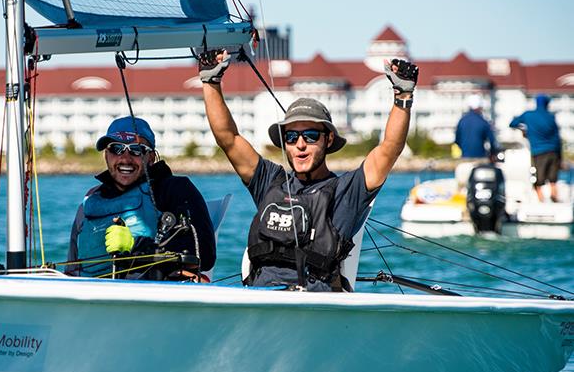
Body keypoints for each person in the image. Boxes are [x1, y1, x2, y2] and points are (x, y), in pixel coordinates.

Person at [198, 50, 418, 292]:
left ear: (328, 138)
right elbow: (228, 138)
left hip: (313, 306)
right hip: (261, 300)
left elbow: (389, 149)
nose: (300, 144)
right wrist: (211, 81)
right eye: (291, 137)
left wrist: (403, 96)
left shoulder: (347, 191)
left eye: (310, 135)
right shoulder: (269, 180)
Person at [67, 116, 216, 280]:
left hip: (152, 295)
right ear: (106, 155)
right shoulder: (90, 200)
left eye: (136, 150)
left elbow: (204, 255)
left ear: (151, 157)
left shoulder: (174, 189)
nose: (125, 158)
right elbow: (72, 268)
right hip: (90, 296)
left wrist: (135, 247)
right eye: (116, 149)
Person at [509, 94, 563, 202]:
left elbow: (512, 124)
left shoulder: (528, 115)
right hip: (554, 151)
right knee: (553, 178)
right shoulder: (551, 117)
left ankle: (541, 200)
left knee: (539, 178)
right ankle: (554, 197)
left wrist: (525, 131)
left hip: (539, 152)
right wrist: (560, 156)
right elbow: (557, 137)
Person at [454, 94, 499, 159]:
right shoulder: (483, 122)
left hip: (464, 158)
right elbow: (492, 141)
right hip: (480, 158)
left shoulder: (462, 121)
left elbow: (457, 140)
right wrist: (492, 154)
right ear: (480, 107)